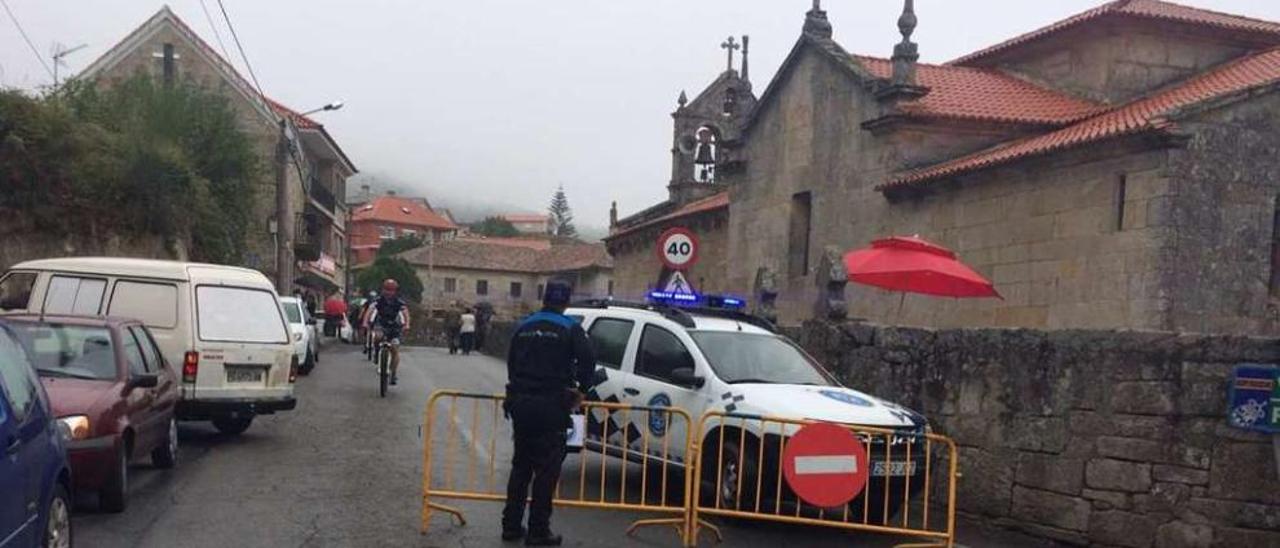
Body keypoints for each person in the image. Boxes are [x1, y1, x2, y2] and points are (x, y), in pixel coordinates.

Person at [501, 281, 596, 546]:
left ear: (544, 298)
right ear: (566, 301)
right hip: (552, 405)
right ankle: (538, 531)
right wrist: (582, 389)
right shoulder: (570, 328)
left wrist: (518, 389)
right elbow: (588, 360)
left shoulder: (524, 325)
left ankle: (510, 526)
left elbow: (511, 363)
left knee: (520, 467)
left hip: (521, 403)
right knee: (546, 470)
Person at [363, 280, 410, 385]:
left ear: (395, 291)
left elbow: (405, 312)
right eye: (386, 290)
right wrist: (365, 322)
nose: (389, 292)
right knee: (377, 337)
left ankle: (393, 373)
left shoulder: (399, 301)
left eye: (391, 290)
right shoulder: (379, 300)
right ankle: (376, 351)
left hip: (394, 326)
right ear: (383, 290)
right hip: (381, 324)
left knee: (394, 349)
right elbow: (370, 310)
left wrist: (407, 324)